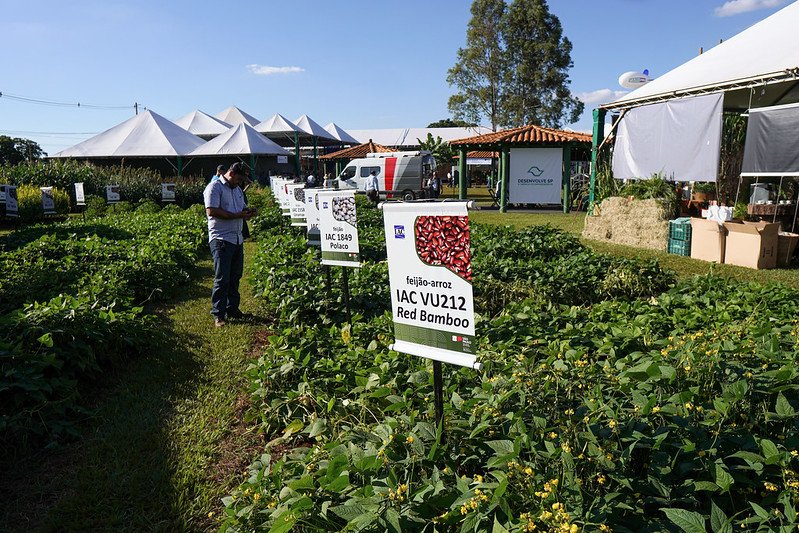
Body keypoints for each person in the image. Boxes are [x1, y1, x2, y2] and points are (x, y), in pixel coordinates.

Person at [203, 162, 257, 327]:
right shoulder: (214, 188)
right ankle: (218, 314)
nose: (241, 183)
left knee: (235, 276)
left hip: (237, 238)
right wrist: (236, 215)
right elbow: (211, 211)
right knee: (222, 278)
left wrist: (248, 213)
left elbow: (241, 210)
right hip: (221, 239)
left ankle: (232, 308)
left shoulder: (238, 190)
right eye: (240, 179)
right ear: (231, 174)